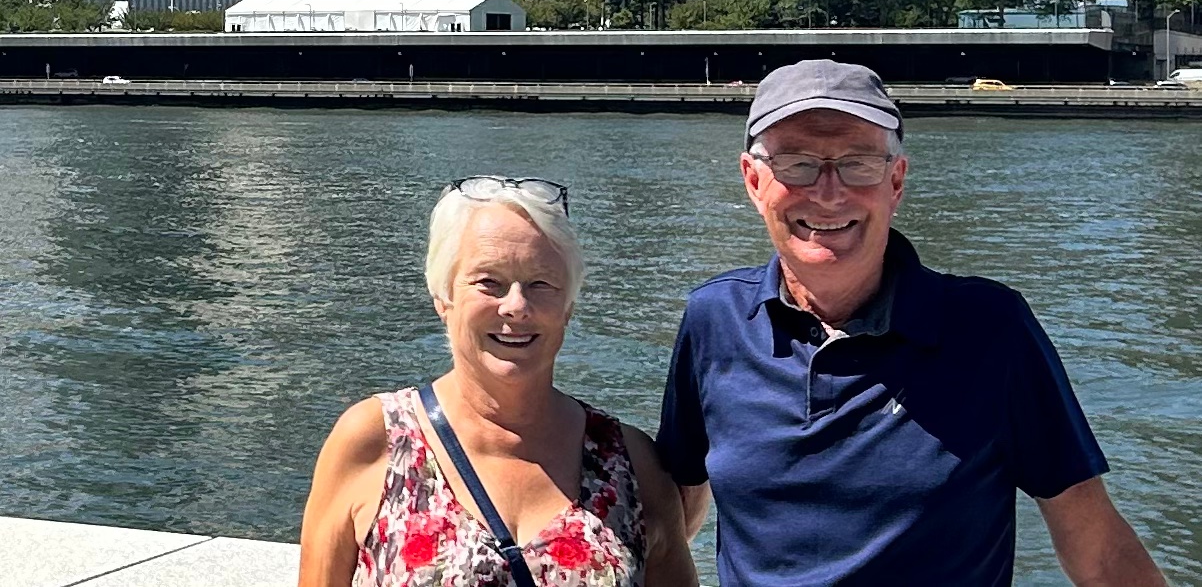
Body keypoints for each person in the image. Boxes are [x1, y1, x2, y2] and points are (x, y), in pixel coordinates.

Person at [655, 60, 1167, 585]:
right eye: (797, 164)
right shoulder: (714, 318)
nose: (828, 192)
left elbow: (1098, 551)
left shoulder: (990, 329)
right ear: (753, 180)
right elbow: (675, 509)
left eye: (857, 163)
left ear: (895, 181)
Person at [299, 175, 697, 587]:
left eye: (541, 283)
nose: (516, 306)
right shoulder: (374, 441)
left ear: (568, 306)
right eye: (489, 282)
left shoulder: (632, 464)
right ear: (443, 298)